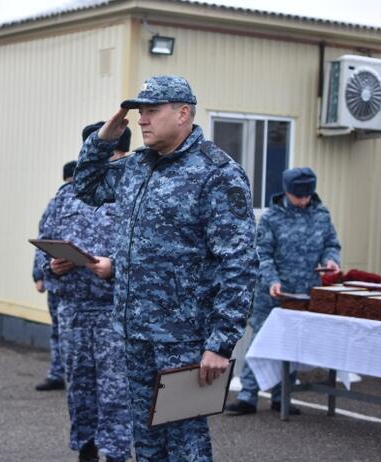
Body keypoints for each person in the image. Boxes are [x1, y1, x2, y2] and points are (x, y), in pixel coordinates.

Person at [73, 76, 258, 461]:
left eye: (152, 111)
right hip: (136, 331)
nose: (142, 120)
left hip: (185, 339)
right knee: (148, 439)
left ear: (183, 114)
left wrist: (221, 343)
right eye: (140, 112)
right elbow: (86, 186)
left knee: (186, 440)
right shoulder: (138, 165)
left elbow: (238, 263)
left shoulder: (217, 173)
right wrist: (103, 139)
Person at [39, 122, 133, 462]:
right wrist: (51, 265)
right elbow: (42, 246)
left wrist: (114, 267)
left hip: (115, 312)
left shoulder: (133, 192)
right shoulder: (66, 195)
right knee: (79, 389)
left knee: (116, 391)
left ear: (120, 153)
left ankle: (116, 453)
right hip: (74, 312)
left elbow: (150, 255)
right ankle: (86, 449)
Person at [225, 167, 341, 416]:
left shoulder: (321, 214)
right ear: (287, 192)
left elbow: (331, 244)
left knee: (291, 344)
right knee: (260, 342)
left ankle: (282, 396)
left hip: (305, 294)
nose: (302, 201)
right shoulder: (271, 217)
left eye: (306, 196)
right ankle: (247, 396)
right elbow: (262, 253)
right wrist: (272, 280)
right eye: (297, 196)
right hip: (273, 293)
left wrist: (331, 260)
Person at [32, 160, 78, 392]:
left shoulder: (70, 201)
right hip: (57, 279)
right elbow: (44, 241)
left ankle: (63, 372)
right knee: (60, 329)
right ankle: (59, 372)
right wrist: (39, 274)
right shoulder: (60, 202)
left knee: (63, 330)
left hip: (67, 282)